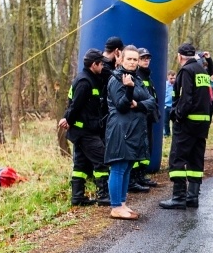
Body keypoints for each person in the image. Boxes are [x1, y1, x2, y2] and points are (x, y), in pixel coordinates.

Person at [104, 45, 157, 220]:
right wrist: (129, 90)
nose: (133, 62)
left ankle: (122, 202)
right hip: (121, 129)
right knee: (118, 167)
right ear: (121, 59)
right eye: (130, 59)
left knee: (127, 167)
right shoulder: (116, 79)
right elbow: (121, 105)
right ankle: (115, 206)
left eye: (135, 59)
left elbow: (151, 102)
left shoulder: (137, 79)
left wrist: (138, 104)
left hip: (135, 130)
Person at [159, 43, 212, 210]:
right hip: (202, 123)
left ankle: (178, 197)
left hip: (187, 122)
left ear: (179, 56)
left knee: (177, 158)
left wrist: (177, 116)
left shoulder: (186, 71)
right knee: (196, 159)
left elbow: (186, 98)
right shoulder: (202, 71)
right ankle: (192, 197)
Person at [58, 48, 110, 206]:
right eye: (101, 64)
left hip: (85, 130)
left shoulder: (92, 78)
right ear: (93, 65)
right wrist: (67, 118)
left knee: (80, 165)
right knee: (101, 159)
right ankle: (103, 195)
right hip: (84, 131)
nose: (102, 67)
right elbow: (75, 106)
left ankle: (77, 197)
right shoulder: (84, 82)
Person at [131, 47, 159, 191]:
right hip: (139, 117)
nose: (146, 60)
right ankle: (134, 178)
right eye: (143, 58)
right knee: (139, 148)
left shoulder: (147, 76)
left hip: (147, 118)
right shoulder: (137, 76)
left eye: (148, 58)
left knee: (147, 148)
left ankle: (141, 176)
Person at [164, 71, 176, 137]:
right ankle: (167, 134)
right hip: (166, 106)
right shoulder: (164, 85)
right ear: (168, 77)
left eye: (174, 78)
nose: (173, 80)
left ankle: (175, 134)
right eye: (171, 78)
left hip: (174, 106)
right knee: (166, 122)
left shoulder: (177, 85)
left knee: (175, 122)